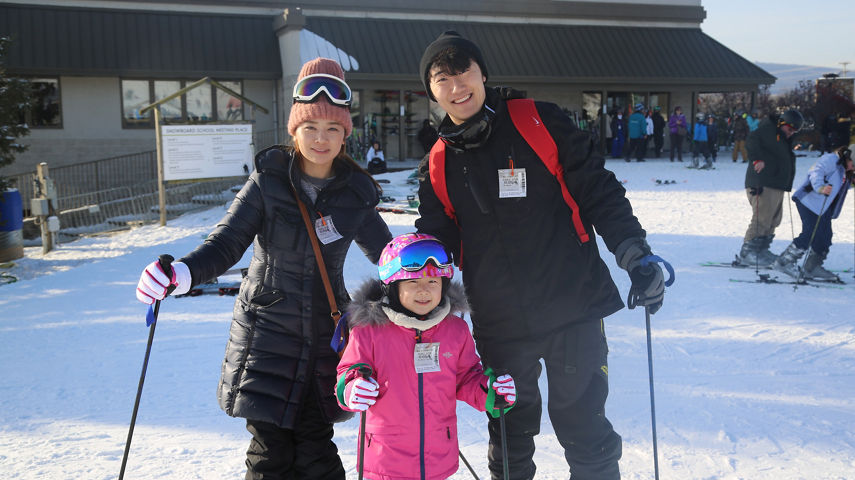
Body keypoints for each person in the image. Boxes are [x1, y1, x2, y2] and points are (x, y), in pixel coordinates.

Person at [415, 31, 666, 480]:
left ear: (483, 73)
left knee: (584, 426)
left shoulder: (538, 121)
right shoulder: (438, 162)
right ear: (431, 91)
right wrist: (406, 292)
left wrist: (634, 255)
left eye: (464, 71)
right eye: (442, 78)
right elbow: (435, 243)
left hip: (573, 306)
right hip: (501, 322)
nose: (457, 86)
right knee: (509, 433)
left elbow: (598, 191)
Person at [134, 57, 392, 480]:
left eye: (332, 129)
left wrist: (425, 277)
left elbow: (391, 256)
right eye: (310, 128)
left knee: (316, 454)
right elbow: (227, 242)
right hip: (266, 337)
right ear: (295, 130)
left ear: (346, 132)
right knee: (270, 455)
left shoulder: (355, 194)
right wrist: (179, 273)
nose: (321, 139)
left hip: (324, 340)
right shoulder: (269, 181)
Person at [336, 233, 517, 480]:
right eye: (413, 283)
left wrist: (490, 391)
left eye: (433, 283)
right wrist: (352, 388)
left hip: (437, 457)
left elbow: (466, 378)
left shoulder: (455, 330)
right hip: (385, 459)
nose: (424, 291)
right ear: (392, 286)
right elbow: (348, 372)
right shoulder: (370, 331)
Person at [773, 145, 854, 281]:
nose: (852, 168)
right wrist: (820, 187)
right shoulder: (831, 160)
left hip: (824, 208)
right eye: (853, 164)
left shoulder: (846, 170)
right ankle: (784, 262)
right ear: (848, 156)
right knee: (810, 233)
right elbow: (816, 172)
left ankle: (812, 267)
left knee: (825, 236)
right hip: (808, 201)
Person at [736, 109, 804, 267]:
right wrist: (757, 159)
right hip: (762, 182)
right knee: (762, 218)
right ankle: (748, 252)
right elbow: (751, 140)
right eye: (790, 129)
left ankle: (761, 249)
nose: (792, 133)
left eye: (795, 130)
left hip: (776, 184)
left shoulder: (781, 136)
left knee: (774, 219)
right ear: (782, 123)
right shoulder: (768, 130)